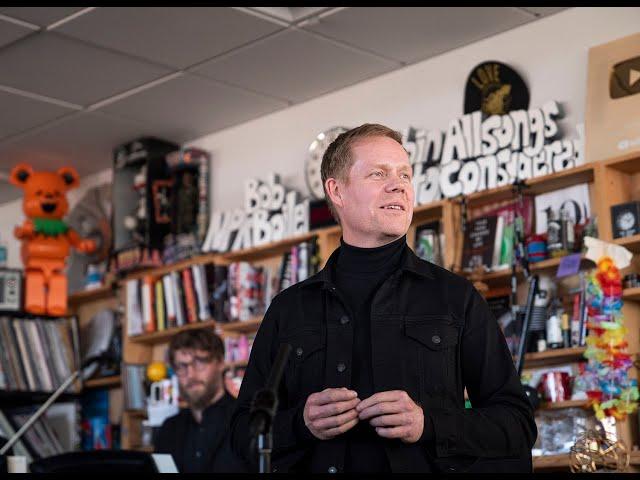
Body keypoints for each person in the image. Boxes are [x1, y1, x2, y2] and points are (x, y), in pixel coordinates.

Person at [230, 123, 537, 473]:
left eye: (405, 175)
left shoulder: (455, 298)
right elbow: (242, 434)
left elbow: (517, 423)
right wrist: (301, 424)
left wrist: (428, 424)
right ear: (337, 191)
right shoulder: (289, 309)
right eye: (379, 173)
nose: (399, 185)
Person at [155, 329, 247, 473]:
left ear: (221, 363)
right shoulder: (168, 430)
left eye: (200, 362)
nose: (190, 374)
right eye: (182, 366)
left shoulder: (247, 422)